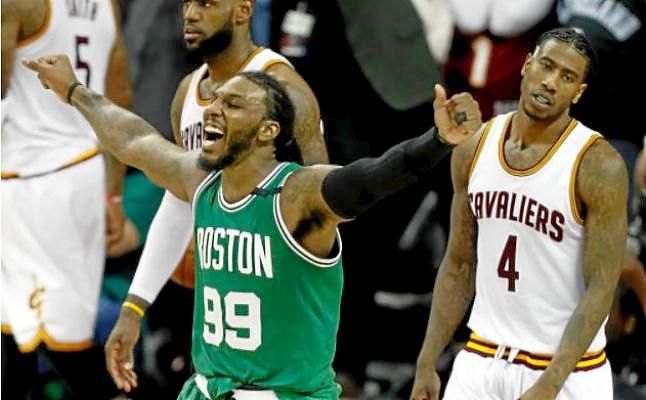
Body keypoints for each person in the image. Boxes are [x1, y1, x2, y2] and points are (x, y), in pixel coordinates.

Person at [23, 53, 481, 399]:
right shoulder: (199, 179)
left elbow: (371, 178)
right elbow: (133, 138)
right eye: (216, 101)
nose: (213, 110)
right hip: (208, 389)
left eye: (234, 104)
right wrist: (74, 91)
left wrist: (437, 140)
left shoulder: (298, 194)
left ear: (267, 131)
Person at [105, 2, 330, 389]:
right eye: (188, 3)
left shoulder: (285, 90)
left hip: (276, 301)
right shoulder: (187, 94)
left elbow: (322, 208)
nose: (190, 13)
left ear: (243, 10)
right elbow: (179, 200)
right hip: (215, 305)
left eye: (207, 3)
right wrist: (135, 304)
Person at [410, 27, 628, 400]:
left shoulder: (598, 165)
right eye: (547, 65)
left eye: (567, 77)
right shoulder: (473, 147)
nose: (550, 82)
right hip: (481, 358)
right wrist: (427, 361)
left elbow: (601, 287)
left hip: (567, 371)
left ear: (578, 92)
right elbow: (460, 264)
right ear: (527, 65)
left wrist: (551, 383)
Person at [1, 0, 132, 398]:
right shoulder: (107, 5)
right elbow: (119, 95)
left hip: (33, 182)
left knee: (59, 341)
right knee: (16, 332)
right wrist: (113, 194)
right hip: (84, 170)